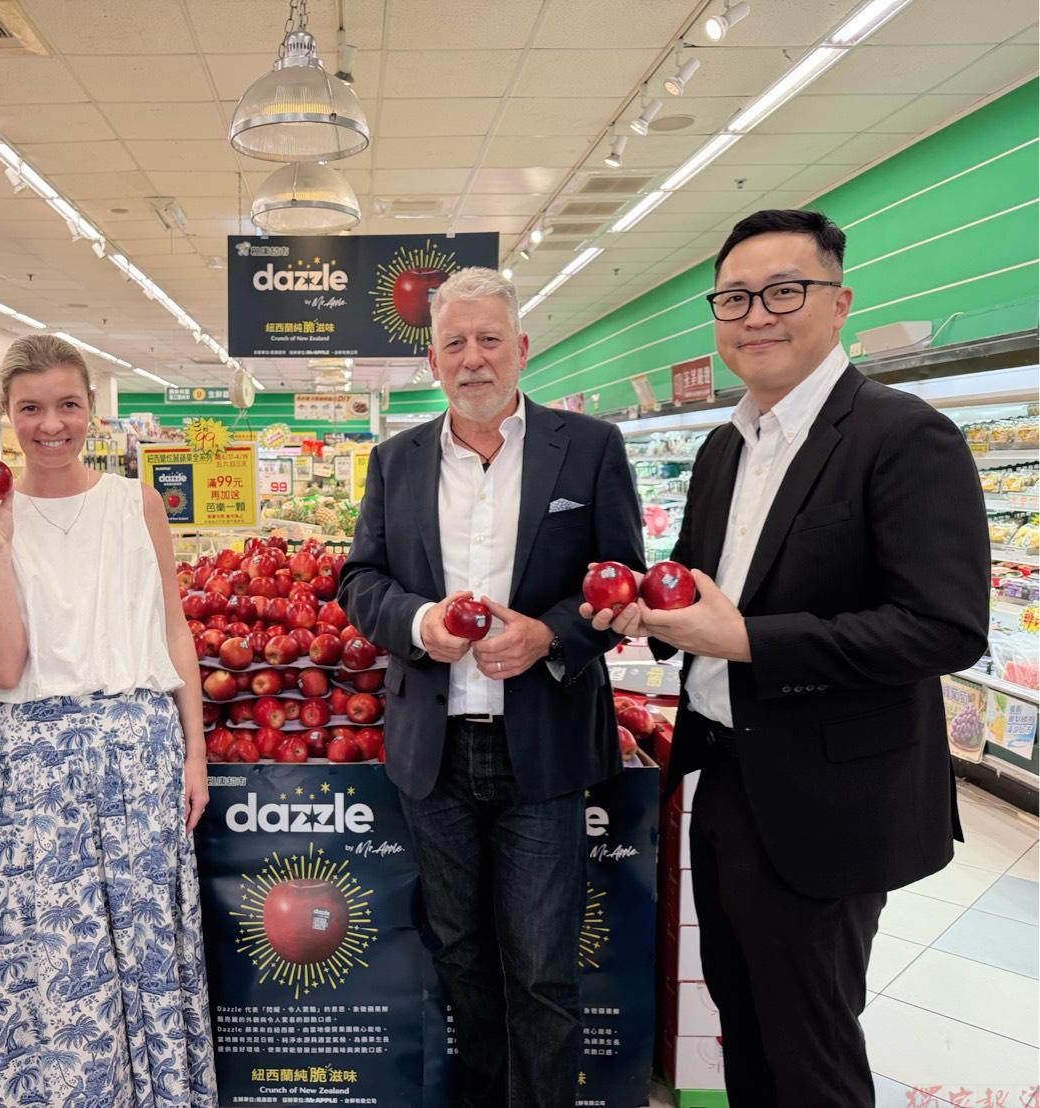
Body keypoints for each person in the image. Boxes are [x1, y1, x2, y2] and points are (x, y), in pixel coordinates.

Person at [582, 209, 990, 1107]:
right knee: (744, 1020)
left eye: (784, 291)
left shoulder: (902, 435)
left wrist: (747, 642)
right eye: (734, 298)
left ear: (839, 303)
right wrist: (646, 614)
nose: (757, 314)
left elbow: (944, 626)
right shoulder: (725, 447)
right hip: (725, 777)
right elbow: (696, 586)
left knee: (811, 1047)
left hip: (830, 799)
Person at [338, 267, 645, 1107]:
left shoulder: (589, 448)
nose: (473, 358)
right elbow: (360, 579)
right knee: (461, 955)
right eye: (455, 343)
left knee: (542, 966)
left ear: (522, 348)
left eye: (489, 340)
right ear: (432, 361)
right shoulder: (395, 460)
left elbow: (621, 578)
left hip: (542, 745)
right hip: (433, 752)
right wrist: (417, 623)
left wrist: (550, 635)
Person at [0, 334, 216, 1106]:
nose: (51, 424)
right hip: (33, 766)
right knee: (44, 954)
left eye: (68, 404)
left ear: (92, 409)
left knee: (142, 945)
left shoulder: (135, 501)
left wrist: (194, 753)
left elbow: (172, 629)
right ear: (6, 415)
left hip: (140, 751)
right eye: (30, 408)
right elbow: (3, 667)